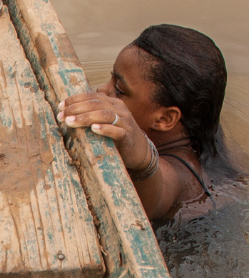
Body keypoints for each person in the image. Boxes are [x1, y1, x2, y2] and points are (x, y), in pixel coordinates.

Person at [59, 23, 232, 223]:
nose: (102, 90)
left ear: (165, 119)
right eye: (110, 79)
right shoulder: (202, 131)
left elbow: (158, 195)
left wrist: (143, 160)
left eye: (120, 91)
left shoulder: (182, 176)